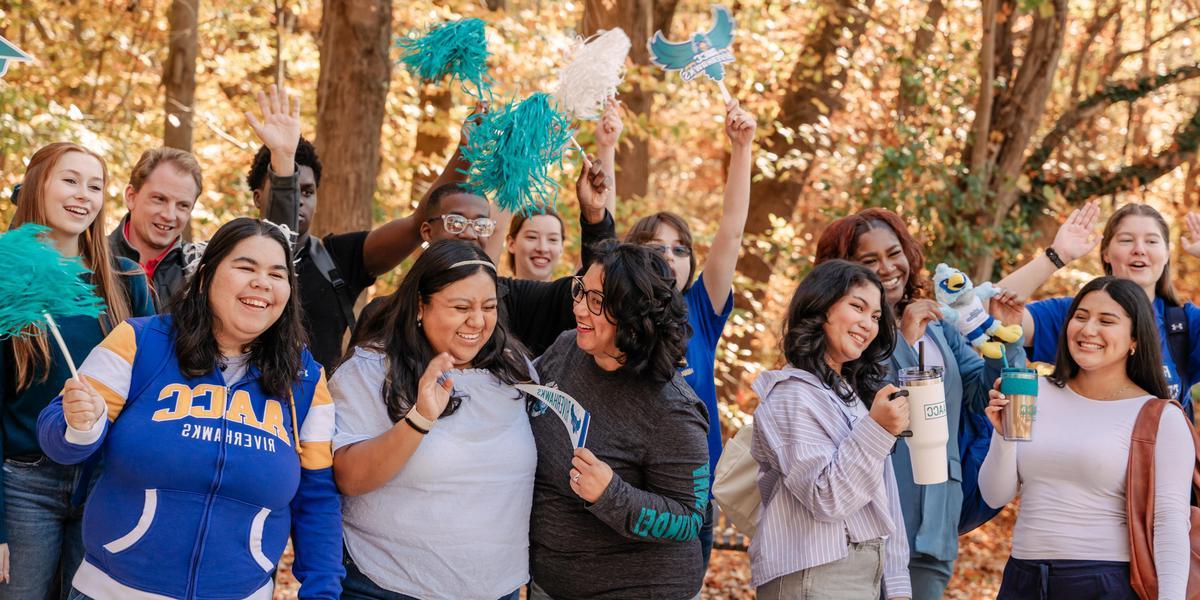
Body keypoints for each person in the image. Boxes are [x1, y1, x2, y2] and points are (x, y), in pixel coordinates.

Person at [36, 218, 343, 599]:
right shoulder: (139, 340)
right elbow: (59, 442)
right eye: (245, 267)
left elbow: (317, 498)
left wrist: (323, 591)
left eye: (276, 274)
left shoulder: (306, 379)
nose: (262, 282)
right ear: (206, 275)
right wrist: (80, 424)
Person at [814, 207, 1025, 598]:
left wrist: (1001, 338)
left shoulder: (940, 327)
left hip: (934, 518)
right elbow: (870, 401)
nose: (888, 267)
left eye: (894, 253)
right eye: (869, 260)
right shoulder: (844, 334)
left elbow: (980, 396)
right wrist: (905, 342)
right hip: (867, 523)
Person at [331, 240, 534, 600]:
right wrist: (420, 418)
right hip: (387, 585)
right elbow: (348, 477)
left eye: (489, 307)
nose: (478, 321)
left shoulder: (514, 368)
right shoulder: (372, 370)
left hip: (496, 588)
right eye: (461, 307)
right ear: (421, 307)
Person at [0, 143, 154, 599]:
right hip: (23, 485)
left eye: (95, 185)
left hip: (103, 484)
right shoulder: (7, 284)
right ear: (36, 186)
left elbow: (146, 392)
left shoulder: (126, 281)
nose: (83, 194)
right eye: (70, 180)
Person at [979, 276, 1193, 598]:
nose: (1088, 330)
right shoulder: (1033, 391)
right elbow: (995, 496)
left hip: (1104, 582)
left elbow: (1171, 525)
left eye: (1106, 321)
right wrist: (1005, 437)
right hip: (1022, 578)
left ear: (1135, 338)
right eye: (1081, 316)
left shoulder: (1160, 417)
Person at [528, 240, 708, 599]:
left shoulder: (672, 409)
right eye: (580, 290)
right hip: (549, 584)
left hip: (638, 589)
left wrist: (612, 494)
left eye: (596, 301)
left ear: (632, 313)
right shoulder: (567, 348)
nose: (579, 307)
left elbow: (689, 519)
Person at [620, 100, 755, 569]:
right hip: (622, 490)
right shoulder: (610, 317)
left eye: (680, 249)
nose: (671, 256)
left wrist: (742, 149)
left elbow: (732, 232)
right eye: (656, 247)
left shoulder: (700, 308)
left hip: (693, 494)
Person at [355, 146, 618, 358]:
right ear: (427, 231)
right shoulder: (383, 314)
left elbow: (593, 288)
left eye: (480, 225)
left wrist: (594, 216)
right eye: (456, 223)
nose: (469, 233)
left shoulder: (511, 299)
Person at [749, 259, 912, 599]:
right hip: (813, 575)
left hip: (861, 572)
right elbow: (826, 497)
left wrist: (897, 584)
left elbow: (884, 496)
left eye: (876, 316)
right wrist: (879, 430)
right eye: (858, 307)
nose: (868, 324)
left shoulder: (851, 396)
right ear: (821, 307)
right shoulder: (791, 394)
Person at [999, 201, 1200, 416]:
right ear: (1106, 253)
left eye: (1151, 241)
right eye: (1126, 240)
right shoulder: (1075, 316)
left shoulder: (1184, 325)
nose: (1139, 250)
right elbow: (988, 313)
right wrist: (1057, 256)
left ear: (1166, 254)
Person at [106, 145, 203, 308]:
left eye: (183, 205)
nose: (169, 215)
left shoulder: (199, 273)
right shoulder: (91, 258)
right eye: (159, 199)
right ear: (131, 197)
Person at [505, 210, 564, 281]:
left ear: (561, 248)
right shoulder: (492, 291)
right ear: (511, 244)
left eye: (552, 239)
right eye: (532, 237)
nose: (543, 248)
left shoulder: (574, 291)